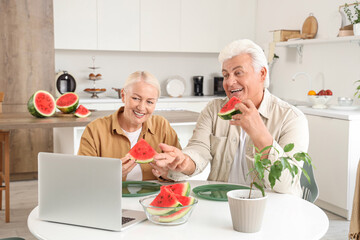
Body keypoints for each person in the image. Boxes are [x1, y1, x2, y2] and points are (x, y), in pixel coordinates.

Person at [153, 39, 309, 196]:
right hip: (221, 202)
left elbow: (287, 184)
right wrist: (184, 162)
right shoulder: (214, 110)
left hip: (272, 206)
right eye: (226, 75)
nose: (229, 82)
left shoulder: (292, 118)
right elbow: (198, 150)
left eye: (238, 73)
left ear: (261, 74)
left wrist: (260, 135)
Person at [78, 71, 181, 181]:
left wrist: (167, 174)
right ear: (123, 96)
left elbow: (179, 171)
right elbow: (83, 177)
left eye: (149, 102)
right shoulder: (95, 130)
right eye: (136, 98)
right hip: (110, 197)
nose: (141, 107)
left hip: (151, 197)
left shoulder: (162, 126)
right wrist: (110, 174)